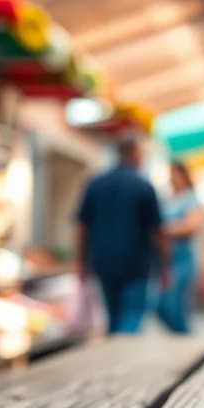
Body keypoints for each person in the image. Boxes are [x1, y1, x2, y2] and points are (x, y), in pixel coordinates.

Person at [74, 135, 167, 335]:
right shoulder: (143, 186)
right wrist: (165, 266)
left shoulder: (96, 183)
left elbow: (82, 226)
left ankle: (112, 356)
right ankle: (120, 358)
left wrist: (80, 261)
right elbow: (157, 231)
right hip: (135, 263)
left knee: (113, 315)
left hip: (103, 261)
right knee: (132, 315)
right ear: (135, 153)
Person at [156, 162, 203, 334]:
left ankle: (185, 340)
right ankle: (182, 338)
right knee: (161, 305)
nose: (172, 178)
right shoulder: (168, 199)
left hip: (183, 261)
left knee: (175, 307)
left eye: (174, 173)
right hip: (166, 260)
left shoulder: (191, 199)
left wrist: (164, 229)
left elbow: (192, 226)